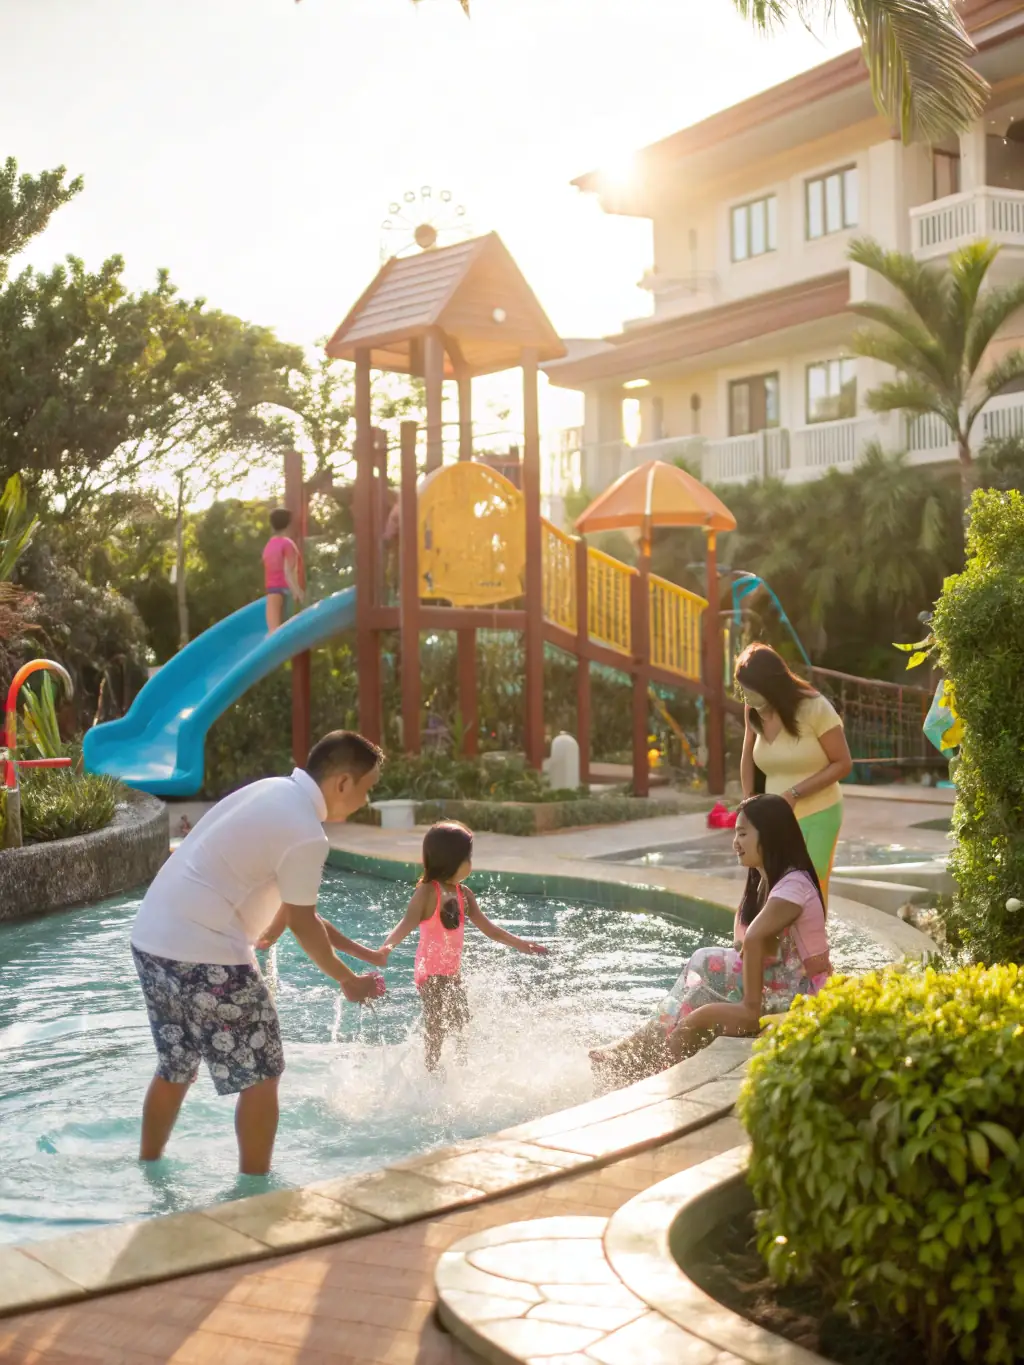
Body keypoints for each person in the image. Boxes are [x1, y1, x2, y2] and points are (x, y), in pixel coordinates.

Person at [130, 731, 387, 1176]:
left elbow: (298, 913)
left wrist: (359, 953)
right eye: (367, 788)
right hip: (204, 951)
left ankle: (147, 1166)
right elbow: (304, 924)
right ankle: (254, 1192)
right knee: (263, 1072)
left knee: (176, 1066)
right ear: (343, 782)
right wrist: (348, 980)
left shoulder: (271, 791)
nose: (366, 800)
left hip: (152, 938)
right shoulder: (307, 833)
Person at [590, 794, 832, 1085]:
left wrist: (747, 1011)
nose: (735, 843)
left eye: (743, 833)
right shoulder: (767, 880)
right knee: (696, 995)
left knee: (704, 964)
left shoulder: (793, 885)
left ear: (770, 834)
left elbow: (754, 939)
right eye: (735, 834)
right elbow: (749, 945)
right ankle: (637, 1063)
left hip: (799, 996)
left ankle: (635, 1058)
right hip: (779, 985)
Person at [380, 821, 549, 1071]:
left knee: (461, 1022)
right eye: (467, 857)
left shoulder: (464, 894)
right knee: (436, 1026)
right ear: (451, 859)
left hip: (451, 972)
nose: (471, 862)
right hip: (430, 973)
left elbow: (489, 929)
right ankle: (431, 1073)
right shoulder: (428, 892)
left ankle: (461, 1070)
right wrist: (386, 949)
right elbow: (406, 923)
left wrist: (521, 945)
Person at [736, 643, 852, 901]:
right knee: (775, 886)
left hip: (819, 812)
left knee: (810, 885)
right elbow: (747, 757)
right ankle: (780, 942)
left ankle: (812, 941)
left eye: (751, 688)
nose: (746, 695)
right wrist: (749, 802)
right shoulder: (753, 710)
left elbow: (843, 763)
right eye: (743, 688)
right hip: (774, 816)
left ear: (772, 684)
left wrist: (795, 793)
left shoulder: (815, 707)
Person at [263, 507, 304, 633]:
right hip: (285, 591)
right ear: (289, 524)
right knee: (285, 632)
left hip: (272, 591)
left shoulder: (269, 545)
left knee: (273, 631)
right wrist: (299, 593)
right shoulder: (287, 544)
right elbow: (288, 572)